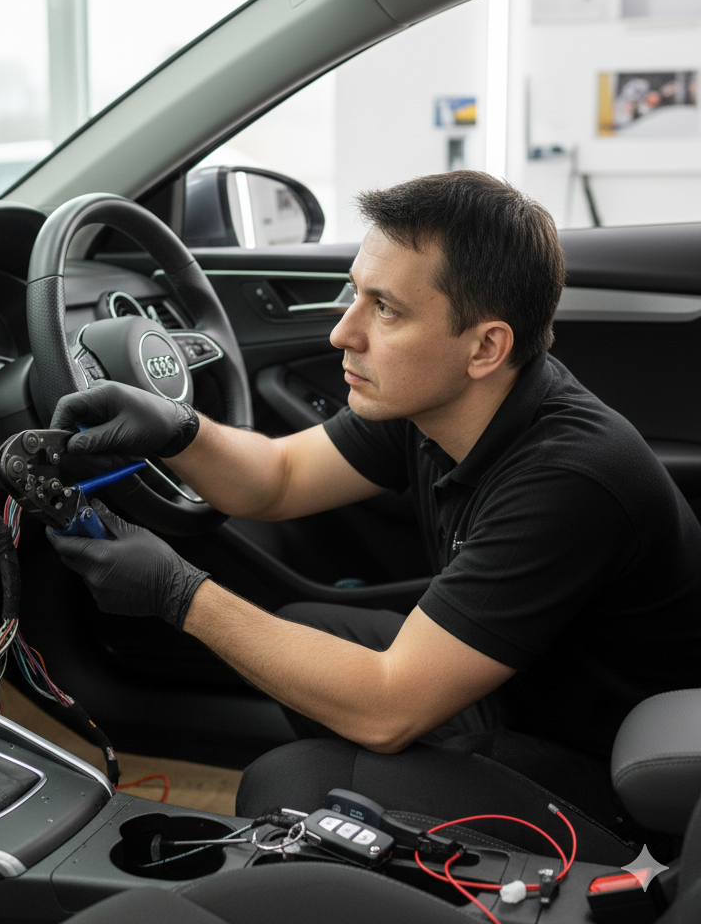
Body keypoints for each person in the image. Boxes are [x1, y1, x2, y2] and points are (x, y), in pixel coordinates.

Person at [47, 171, 701, 862]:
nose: (342, 333)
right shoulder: (437, 402)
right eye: (352, 293)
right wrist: (177, 429)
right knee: (304, 632)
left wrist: (177, 594)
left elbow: (387, 708)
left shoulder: (568, 477)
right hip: (523, 689)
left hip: (616, 775)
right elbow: (278, 479)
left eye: (384, 309)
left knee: (290, 783)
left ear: (485, 347)